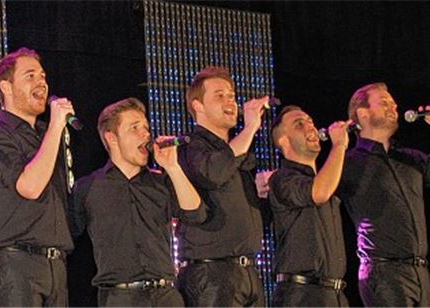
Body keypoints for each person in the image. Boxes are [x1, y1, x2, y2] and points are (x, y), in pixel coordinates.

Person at [338, 83, 430, 306]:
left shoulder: (410, 158)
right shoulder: (349, 163)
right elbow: (319, 191)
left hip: (419, 271)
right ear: (363, 114)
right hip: (384, 272)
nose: (393, 107)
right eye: (384, 103)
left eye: (394, 104)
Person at [69, 98, 204, 307]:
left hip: (165, 296)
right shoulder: (88, 188)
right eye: (135, 128)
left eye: (146, 128)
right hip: (119, 297)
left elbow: (196, 214)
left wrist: (173, 167)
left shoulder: (161, 181)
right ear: (112, 138)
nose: (145, 134)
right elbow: (67, 234)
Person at [0, 47, 74, 306]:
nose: (41, 82)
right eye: (30, 76)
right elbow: (29, 186)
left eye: (43, 76)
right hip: (16, 263)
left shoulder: (45, 135)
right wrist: (56, 126)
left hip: (55, 263)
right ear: (6, 87)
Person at [174, 66, 269, 306]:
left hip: (247, 271)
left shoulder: (239, 154)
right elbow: (213, 173)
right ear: (198, 105)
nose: (230, 102)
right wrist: (250, 128)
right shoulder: (191, 146)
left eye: (232, 96)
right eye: (219, 96)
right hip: (212, 274)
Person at [267, 105, 350, 306]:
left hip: (334, 294)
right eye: (299, 124)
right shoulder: (282, 179)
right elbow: (318, 193)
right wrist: (339, 145)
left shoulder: (324, 179)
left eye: (311, 122)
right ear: (284, 141)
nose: (310, 127)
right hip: (302, 295)